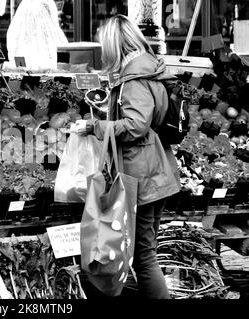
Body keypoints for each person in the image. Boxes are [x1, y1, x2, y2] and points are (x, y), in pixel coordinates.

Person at [79, 14, 180, 299]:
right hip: (154, 169)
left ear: (114, 44)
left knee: (144, 256)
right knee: (146, 251)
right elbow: (141, 116)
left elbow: (136, 126)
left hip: (142, 175)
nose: (103, 51)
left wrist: (95, 126)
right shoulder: (149, 69)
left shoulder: (134, 79)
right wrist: (110, 113)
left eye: (104, 45)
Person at [6, 0, 68, 71]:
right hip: (43, 72)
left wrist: (20, 69)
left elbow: (14, 49)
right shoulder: (46, 4)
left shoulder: (25, 6)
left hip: (29, 73)